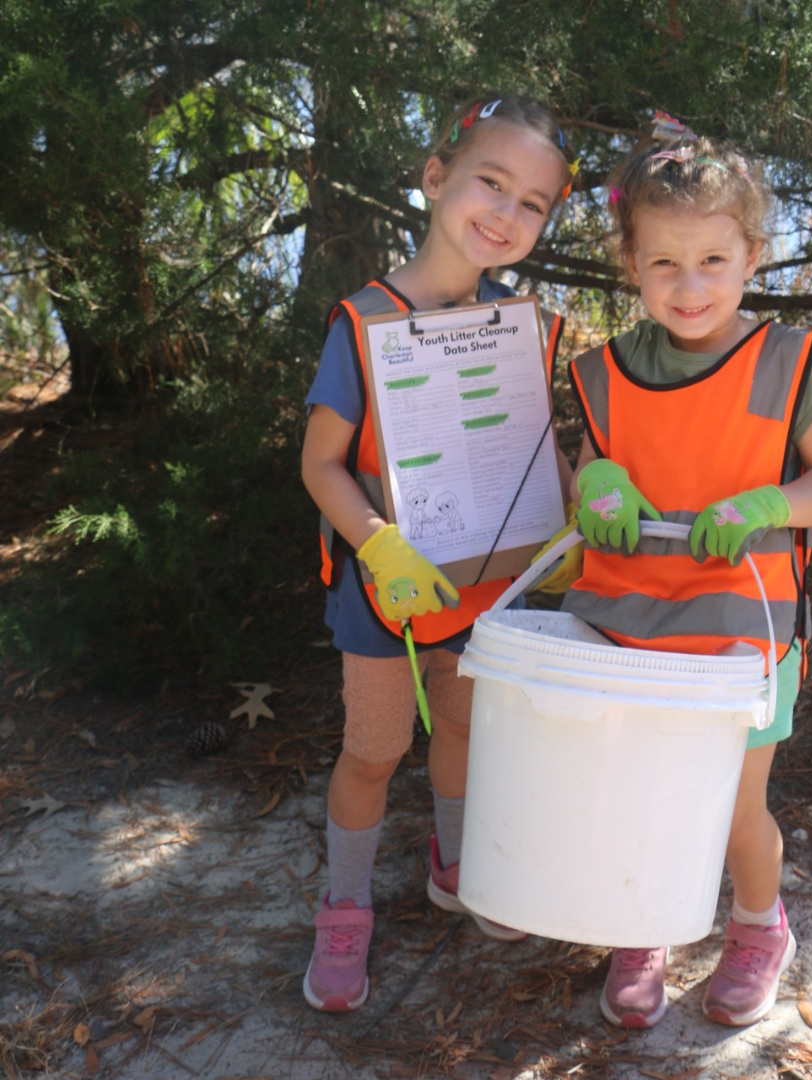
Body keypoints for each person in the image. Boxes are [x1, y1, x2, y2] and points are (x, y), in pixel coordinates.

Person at [561, 112, 812, 1029]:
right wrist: (595, 482)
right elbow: (589, 466)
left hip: (746, 627)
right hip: (630, 622)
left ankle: (759, 928)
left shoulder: (786, 360)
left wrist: (769, 503)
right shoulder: (605, 371)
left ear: (753, 255)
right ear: (631, 263)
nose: (690, 287)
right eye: (664, 265)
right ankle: (640, 926)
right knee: (638, 791)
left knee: (734, 806)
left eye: (714, 263)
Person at [299, 93, 576, 1012]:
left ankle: (453, 863)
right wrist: (377, 544)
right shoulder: (363, 316)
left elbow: (531, 444)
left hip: (485, 583)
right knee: (375, 748)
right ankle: (343, 906)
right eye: (490, 183)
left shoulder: (519, 323)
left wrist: (569, 520)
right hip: (388, 588)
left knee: (463, 726)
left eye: (532, 202)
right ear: (433, 178)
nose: (505, 212)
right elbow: (321, 462)